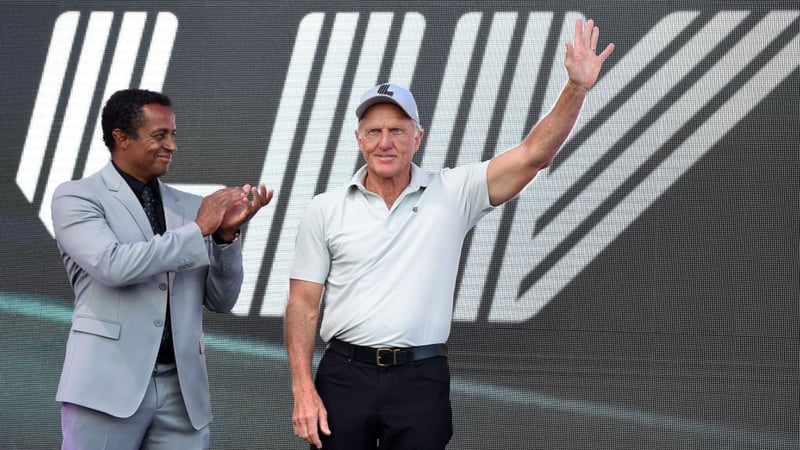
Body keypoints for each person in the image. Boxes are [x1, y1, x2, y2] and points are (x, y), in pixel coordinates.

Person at [285, 18, 614, 450]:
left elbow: (534, 155)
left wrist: (577, 87)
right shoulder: (324, 209)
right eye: (375, 131)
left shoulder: (454, 192)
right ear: (359, 139)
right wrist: (302, 390)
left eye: (397, 131)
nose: (385, 142)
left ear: (417, 138)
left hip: (420, 378)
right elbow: (303, 304)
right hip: (344, 375)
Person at [51, 88, 273, 450]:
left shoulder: (190, 207)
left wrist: (225, 237)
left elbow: (221, 300)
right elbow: (113, 266)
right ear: (121, 138)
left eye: (173, 135)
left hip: (183, 392)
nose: (172, 145)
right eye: (160, 135)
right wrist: (199, 230)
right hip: (106, 385)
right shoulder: (77, 197)